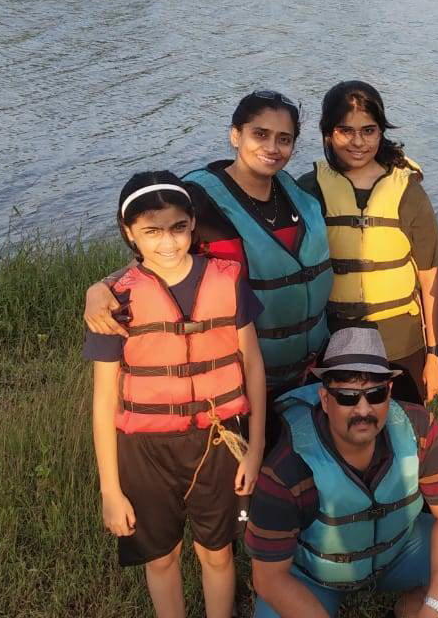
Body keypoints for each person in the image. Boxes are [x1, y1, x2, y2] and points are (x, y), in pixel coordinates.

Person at [89, 172, 267, 618]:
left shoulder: (227, 281)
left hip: (219, 440)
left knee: (217, 553)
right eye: (151, 232)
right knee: (162, 558)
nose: (167, 242)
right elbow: (104, 401)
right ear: (129, 232)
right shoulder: (113, 300)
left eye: (178, 228)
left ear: (192, 224)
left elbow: (253, 367)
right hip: (146, 450)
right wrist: (111, 490)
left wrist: (255, 450)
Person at [84, 91, 333, 405]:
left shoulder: (297, 193)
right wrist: (102, 287)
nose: (272, 147)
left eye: (284, 139)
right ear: (235, 135)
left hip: (308, 374)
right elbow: (157, 255)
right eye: (260, 134)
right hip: (239, 379)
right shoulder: (198, 199)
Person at [246, 327, 438, 618]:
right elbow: (269, 578)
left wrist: (435, 604)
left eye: (375, 394)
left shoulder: (419, 431)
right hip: (316, 574)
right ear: (325, 399)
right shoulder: (289, 464)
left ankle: (409, 609)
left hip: (398, 552)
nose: (363, 410)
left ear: (389, 392)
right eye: (347, 397)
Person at [297, 81, 438, 405]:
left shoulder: (408, 191)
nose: (358, 142)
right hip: (332, 342)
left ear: (381, 132)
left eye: (368, 131)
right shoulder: (309, 190)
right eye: (345, 131)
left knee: (406, 429)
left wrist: (434, 355)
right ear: (328, 133)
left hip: (400, 345)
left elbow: (430, 278)